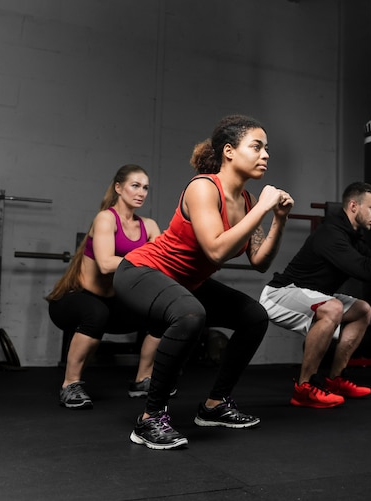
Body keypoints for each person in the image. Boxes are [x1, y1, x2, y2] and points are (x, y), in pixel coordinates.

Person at [113, 114, 294, 450]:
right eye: (256, 146)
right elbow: (215, 249)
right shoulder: (203, 188)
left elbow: (259, 262)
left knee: (253, 316)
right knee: (190, 313)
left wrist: (278, 220)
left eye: (267, 148)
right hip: (141, 272)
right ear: (229, 151)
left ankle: (215, 405)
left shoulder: (249, 203)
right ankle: (150, 420)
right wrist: (264, 208)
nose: (265, 154)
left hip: (185, 284)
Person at [259, 181, 371, 408]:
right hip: (280, 295)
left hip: (314, 296)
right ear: (354, 206)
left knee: (363, 310)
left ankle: (334, 380)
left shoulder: (353, 238)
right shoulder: (331, 233)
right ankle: (303, 388)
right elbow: (364, 270)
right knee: (333, 306)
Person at [47, 164, 162, 409]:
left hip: (111, 305)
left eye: (145, 188)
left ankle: (142, 380)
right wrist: (146, 262)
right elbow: (106, 264)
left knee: (160, 314)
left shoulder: (149, 226)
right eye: (135, 185)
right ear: (119, 188)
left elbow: (163, 263)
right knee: (96, 313)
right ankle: (70, 385)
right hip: (73, 300)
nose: (141, 192)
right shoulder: (106, 219)